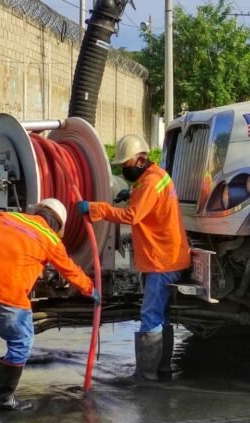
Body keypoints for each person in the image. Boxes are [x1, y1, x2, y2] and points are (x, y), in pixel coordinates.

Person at [0, 198, 97, 412]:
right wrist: (91, 290)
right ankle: (2, 400)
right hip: (7, 295)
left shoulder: (2, 217)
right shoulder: (50, 239)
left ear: (38, 211)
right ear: (58, 225)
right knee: (20, 344)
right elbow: (71, 271)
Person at [76, 134, 190, 382]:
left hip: (162, 260)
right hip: (169, 256)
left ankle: (146, 375)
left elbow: (132, 216)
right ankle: (162, 370)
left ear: (141, 160)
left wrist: (96, 209)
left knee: (150, 315)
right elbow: (149, 200)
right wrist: (130, 192)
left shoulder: (149, 183)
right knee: (161, 315)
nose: (125, 169)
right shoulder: (155, 177)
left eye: (127, 165)